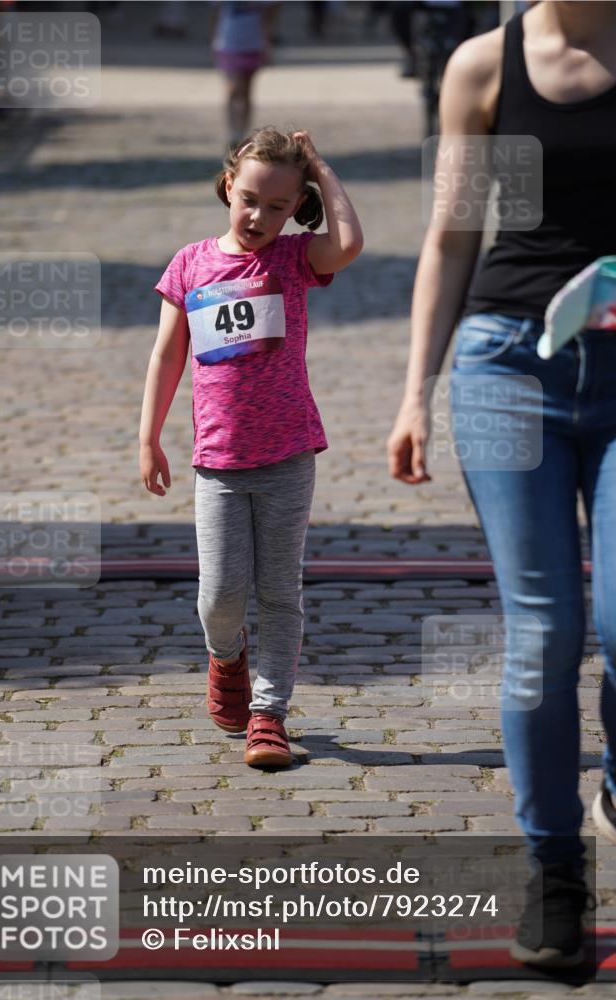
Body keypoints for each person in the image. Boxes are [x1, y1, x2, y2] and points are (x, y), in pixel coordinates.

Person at [387, 0, 616, 970]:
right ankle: (554, 875)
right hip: (505, 367)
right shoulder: (485, 67)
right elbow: (450, 236)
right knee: (543, 630)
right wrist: (414, 393)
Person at [140, 127, 363, 769]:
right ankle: (226, 655)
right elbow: (167, 354)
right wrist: (148, 436)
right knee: (220, 595)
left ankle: (269, 715)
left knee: (279, 592)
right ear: (227, 187)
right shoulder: (189, 264)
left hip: (288, 454)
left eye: (277, 205)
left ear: (297, 206)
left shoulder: (294, 261)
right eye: (249, 199)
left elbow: (348, 243)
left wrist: (319, 164)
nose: (259, 215)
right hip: (217, 462)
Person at [211, 1, 278, 149]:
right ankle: (233, 132)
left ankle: (242, 132)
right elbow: (216, 12)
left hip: (253, 44)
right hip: (228, 43)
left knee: (247, 90)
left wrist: (267, 42)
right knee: (234, 89)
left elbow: (270, 14)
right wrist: (214, 37)